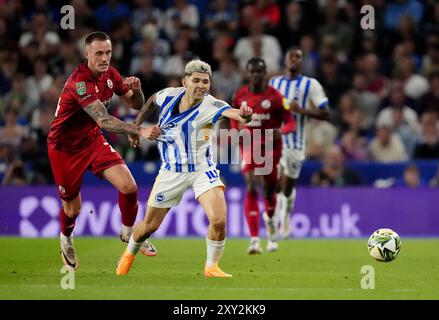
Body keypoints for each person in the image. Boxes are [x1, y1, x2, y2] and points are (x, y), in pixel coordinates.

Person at [116, 59, 253, 277]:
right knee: (149, 227)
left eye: (205, 82)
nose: (201, 85)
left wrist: (246, 114)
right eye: (196, 80)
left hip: (202, 169)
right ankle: (128, 255)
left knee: (218, 219)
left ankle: (211, 267)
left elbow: (236, 114)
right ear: (184, 81)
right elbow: (151, 100)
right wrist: (136, 127)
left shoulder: (212, 105)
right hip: (171, 172)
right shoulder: (168, 95)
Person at [47, 31, 161, 271]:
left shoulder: (111, 75)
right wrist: (138, 130)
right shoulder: (80, 82)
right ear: (86, 54)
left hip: (92, 141)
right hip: (64, 149)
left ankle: (128, 233)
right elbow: (103, 120)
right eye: (98, 53)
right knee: (73, 209)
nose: (104, 58)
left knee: (129, 187)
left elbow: (136, 103)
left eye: (108, 52)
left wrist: (138, 90)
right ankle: (66, 239)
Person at [231, 57, 295, 254]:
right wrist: (236, 131)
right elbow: (233, 117)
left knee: (268, 190)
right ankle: (254, 239)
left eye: (260, 71)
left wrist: (281, 132)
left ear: (265, 73)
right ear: (248, 73)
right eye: (253, 71)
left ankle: (271, 225)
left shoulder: (276, 97)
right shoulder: (240, 95)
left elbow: (290, 122)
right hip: (249, 145)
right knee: (251, 185)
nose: (256, 75)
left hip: (271, 148)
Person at [269, 47, 331, 239]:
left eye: (298, 57)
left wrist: (302, 110)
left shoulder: (311, 84)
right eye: (291, 56)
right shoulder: (274, 82)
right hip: (276, 142)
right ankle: (276, 222)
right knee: (276, 183)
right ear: (285, 60)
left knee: (287, 187)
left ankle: (285, 218)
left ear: (302, 62)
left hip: (296, 144)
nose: (294, 60)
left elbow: (326, 112)